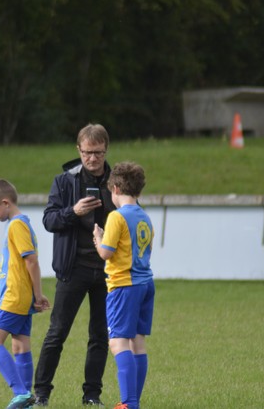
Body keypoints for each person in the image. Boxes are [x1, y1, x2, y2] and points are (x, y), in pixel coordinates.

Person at [34, 124, 115, 406]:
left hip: (107, 270)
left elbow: (131, 214)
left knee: (100, 336)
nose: (92, 158)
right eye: (87, 152)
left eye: (98, 153)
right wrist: (74, 211)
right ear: (78, 150)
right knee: (57, 333)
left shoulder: (117, 181)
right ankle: (41, 394)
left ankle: (92, 396)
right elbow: (49, 220)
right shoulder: (64, 182)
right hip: (73, 268)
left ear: (106, 150)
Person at [0, 178, 51, 409]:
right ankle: (27, 402)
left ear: (5, 203)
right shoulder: (20, 224)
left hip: (14, 296)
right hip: (21, 296)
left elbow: (32, 261)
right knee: (20, 345)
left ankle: (21, 393)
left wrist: (38, 294)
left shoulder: (17, 225)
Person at [92, 162, 155, 409]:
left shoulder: (116, 217)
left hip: (124, 285)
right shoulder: (145, 217)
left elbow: (106, 253)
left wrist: (98, 238)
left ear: (115, 189)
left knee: (117, 342)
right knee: (137, 341)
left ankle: (128, 403)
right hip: (145, 283)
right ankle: (133, 402)